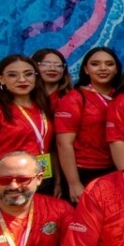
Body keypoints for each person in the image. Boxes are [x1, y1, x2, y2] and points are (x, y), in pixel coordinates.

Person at [0, 54, 57, 199]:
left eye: (28, 74)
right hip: (9, 183)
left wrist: (58, 182)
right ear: (1, 79)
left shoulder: (44, 106)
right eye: (12, 75)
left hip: (41, 179)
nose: (22, 80)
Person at [32, 48, 86, 200]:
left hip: (68, 164)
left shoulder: (71, 99)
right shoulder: (24, 100)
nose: (52, 68)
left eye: (58, 65)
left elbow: (62, 144)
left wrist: (62, 180)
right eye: (46, 64)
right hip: (32, 166)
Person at [71, 45, 123, 192]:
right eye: (95, 64)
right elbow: (64, 144)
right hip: (85, 169)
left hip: (119, 166)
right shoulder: (75, 98)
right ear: (86, 69)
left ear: (117, 68)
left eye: (109, 64)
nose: (103, 68)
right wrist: (73, 182)